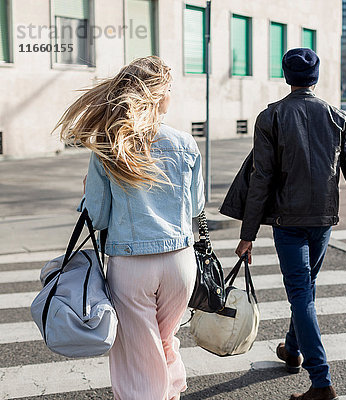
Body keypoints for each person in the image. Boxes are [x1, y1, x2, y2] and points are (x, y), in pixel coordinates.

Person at [231, 48, 346, 400]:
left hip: (288, 221)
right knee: (306, 288)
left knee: (302, 292)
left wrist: (248, 235)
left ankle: (321, 381)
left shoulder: (270, 117)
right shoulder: (338, 118)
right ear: (316, 77)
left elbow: (261, 179)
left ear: (286, 77)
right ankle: (292, 350)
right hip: (322, 220)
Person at [54, 56, 204, 400]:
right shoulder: (186, 144)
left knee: (137, 354)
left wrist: (87, 193)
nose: (172, 96)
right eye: (170, 90)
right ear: (158, 95)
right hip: (180, 262)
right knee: (165, 342)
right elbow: (196, 207)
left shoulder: (111, 145)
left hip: (132, 264)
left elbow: (99, 217)